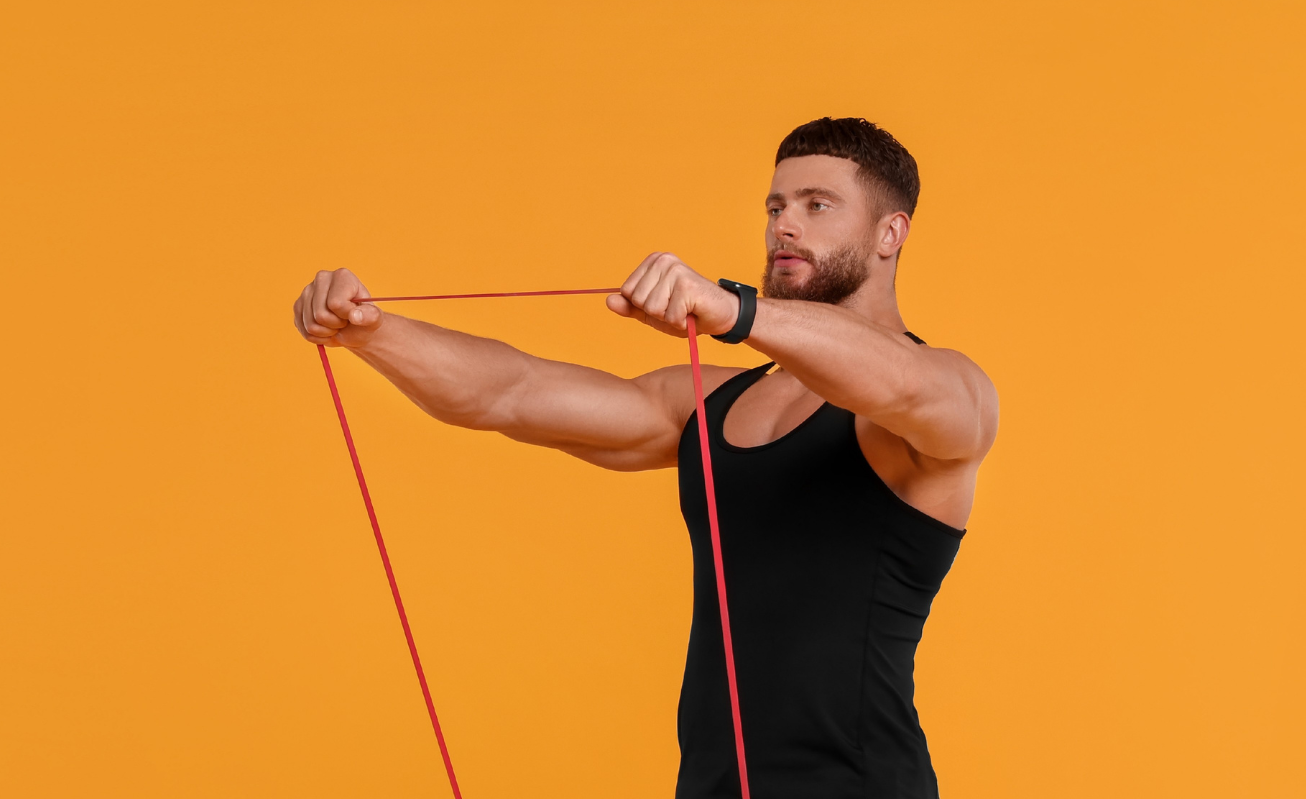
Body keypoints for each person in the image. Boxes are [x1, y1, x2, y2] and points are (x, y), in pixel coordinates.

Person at [291, 117, 996, 798]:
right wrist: (369, 331)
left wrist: (736, 312)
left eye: (818, 205)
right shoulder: (711, 402)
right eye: (776, 206)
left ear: (890, 233)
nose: (785, 225)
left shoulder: (945, 393)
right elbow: (511, 393)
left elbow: (901, 385)